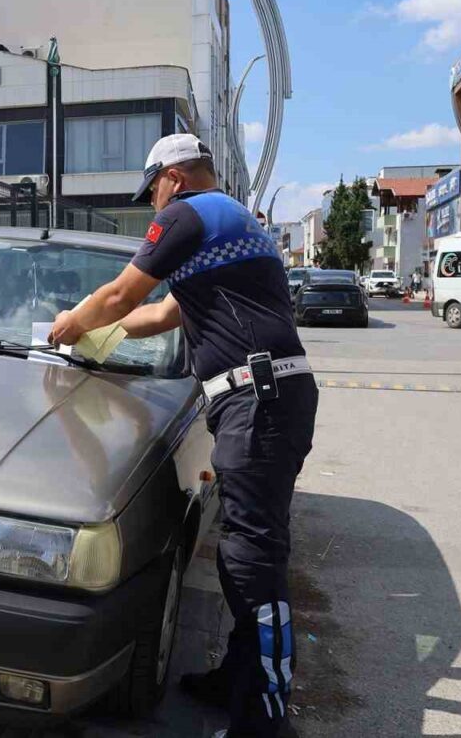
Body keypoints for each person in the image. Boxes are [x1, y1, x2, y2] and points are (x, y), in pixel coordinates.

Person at [49, 133, 317, 737]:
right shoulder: (228, 224)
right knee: (244, 555)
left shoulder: (191, 213)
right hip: (267, 399)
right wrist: (103, 336)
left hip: (259, 399)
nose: (153, 208)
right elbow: (159, 315)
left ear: (173, 177)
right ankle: (240, 679)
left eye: (153, 193)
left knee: (253, 563)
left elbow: (122, 292)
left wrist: (71, 320)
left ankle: (263, 719)